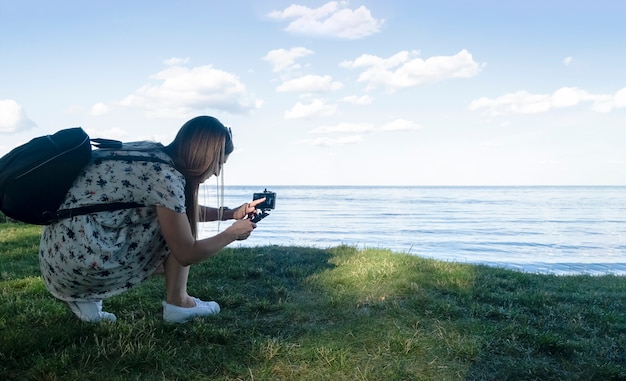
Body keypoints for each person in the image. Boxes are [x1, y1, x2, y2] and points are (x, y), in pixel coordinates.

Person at [38, 116, 263, 323]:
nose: (216, 173)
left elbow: (174, 207)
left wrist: (230, 213)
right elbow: (186, 253)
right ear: (203, 154)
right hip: (79, 264)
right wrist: (232, 233)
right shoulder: (166, 178)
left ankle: (85, 297)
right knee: (177, 234)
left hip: (61, 257)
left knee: (174, 220)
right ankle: (179, 304)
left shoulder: (153, 154)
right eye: (219, 164)